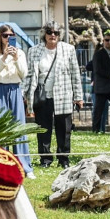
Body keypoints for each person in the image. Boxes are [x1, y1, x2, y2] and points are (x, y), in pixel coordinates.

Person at [25, 22, 83, 169]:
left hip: (63, 94)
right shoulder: (34, 51)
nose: (53, 35)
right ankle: (45, 159)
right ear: (44, 34)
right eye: (50, 32)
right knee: (43, 129)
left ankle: (64, 159)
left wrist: (78, 96)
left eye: (56, 33)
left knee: (64, 129)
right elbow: (29, 75)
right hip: (42, 96)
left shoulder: (68, 49)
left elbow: (75, 74)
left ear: (59, 35)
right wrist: (25, 94)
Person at [0, 24, 35, 177]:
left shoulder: (19, 52)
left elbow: (24, 73)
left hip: (15, 89)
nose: (8, 38)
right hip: (0, 89)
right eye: (5, 35)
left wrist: (15, 58)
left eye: (11, 35)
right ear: (0, 37)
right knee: (0, 129)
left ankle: (24, 167)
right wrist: (3, 58)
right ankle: (2, 165)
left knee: (19, 128)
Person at [89, 32, 110, 134]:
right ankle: (95, 130)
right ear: (103, 41)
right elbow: (98, 70)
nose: (108, 42)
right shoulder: (98, 54)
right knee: (98, 112)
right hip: (102, 88)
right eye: (106, 40)